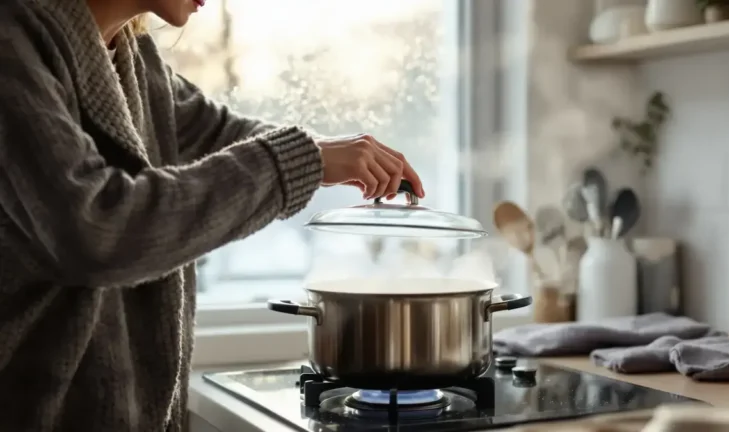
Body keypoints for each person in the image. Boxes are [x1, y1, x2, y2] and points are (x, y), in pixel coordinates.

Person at [0, 0, 425, 431]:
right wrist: (305, 158)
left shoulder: (132, 58)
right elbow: (98, 230)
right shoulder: (12, 44)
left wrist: (334, 155)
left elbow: (220, 135)